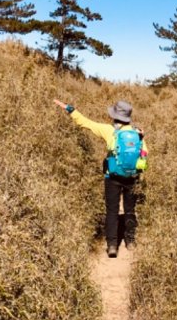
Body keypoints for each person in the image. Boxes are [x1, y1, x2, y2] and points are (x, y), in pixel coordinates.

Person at [53, 98, 148, 257]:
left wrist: (69, 108)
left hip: (112, 176)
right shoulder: (137, 133)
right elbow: (145, 153)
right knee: (130, 209)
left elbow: (85, 123)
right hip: (132, 176)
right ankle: (130, 241)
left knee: (112, 210)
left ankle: (112, 245)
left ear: (115, 115)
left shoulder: (109, 130)